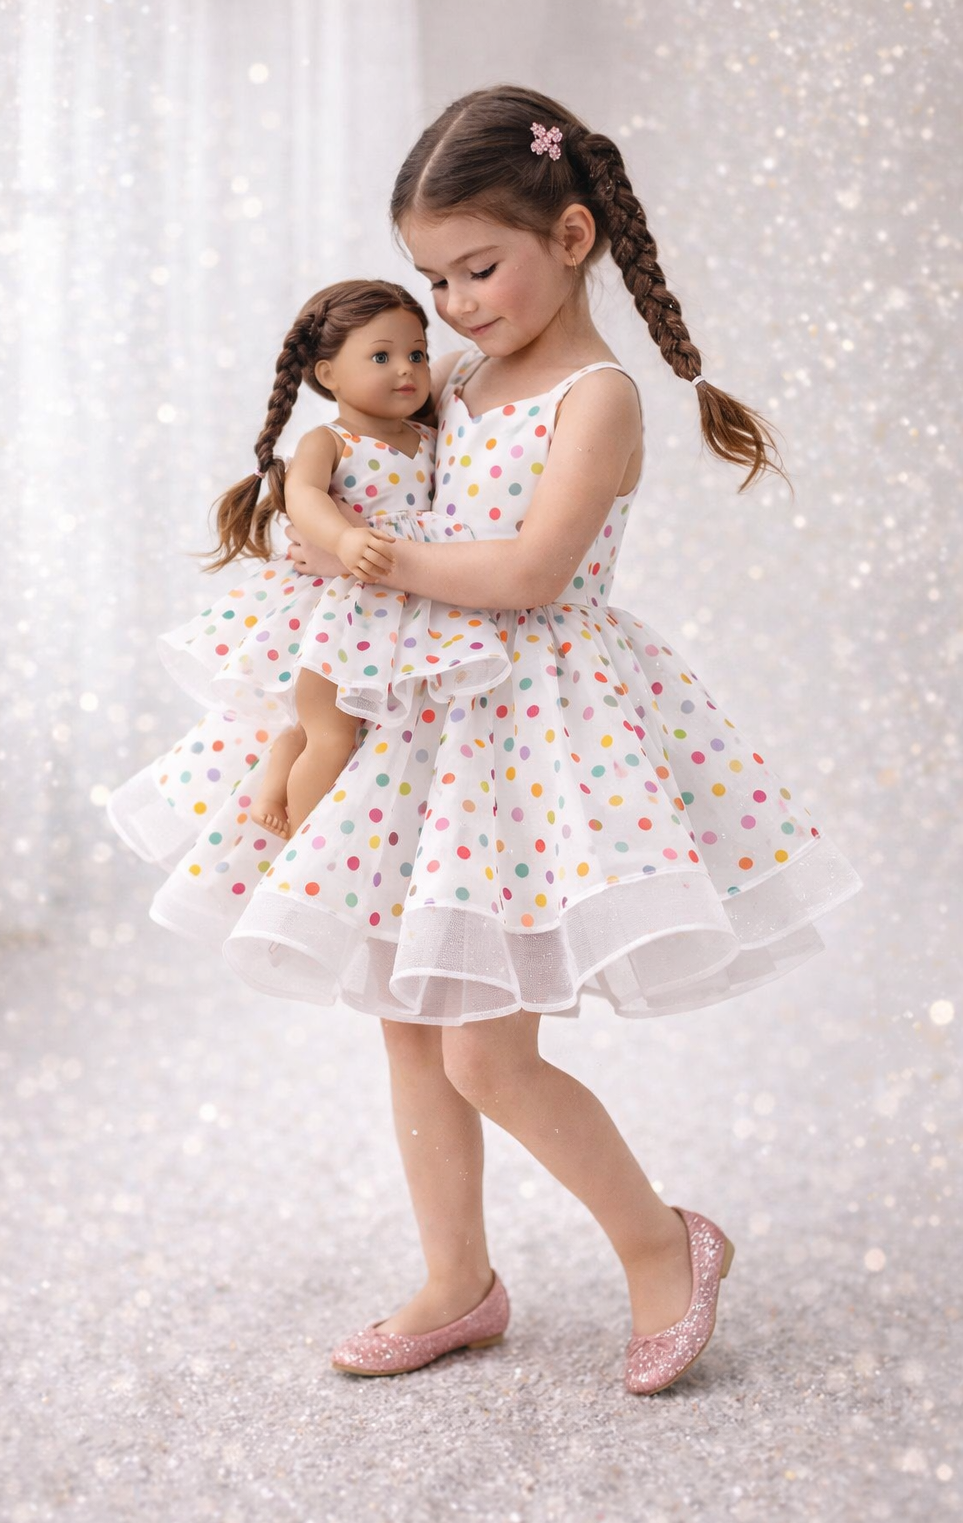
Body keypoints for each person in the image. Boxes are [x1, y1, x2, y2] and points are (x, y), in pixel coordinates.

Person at [256, 87, 864, 1393]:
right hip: (429, 724)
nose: (456, 306)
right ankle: (457, 1280)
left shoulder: (599, 398)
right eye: (435, 280)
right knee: (407, 1020)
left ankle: (662, 1243)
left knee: (487, 1048)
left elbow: (532, 573)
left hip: (539, 735)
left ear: (574, 234)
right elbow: (347, 484)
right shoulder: (453, 383)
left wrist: (386, 561)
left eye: (479, 268)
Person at [109, 277, 511, 855]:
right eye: (382, 356)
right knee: (333, 732)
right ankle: (303, 851)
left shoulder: (426, 436)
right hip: (337, 611)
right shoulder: (331, 440)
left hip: (398, 607)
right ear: (328, 375)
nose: (407, 369)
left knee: (366, 725)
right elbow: (305, 498)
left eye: (417, 354)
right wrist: (344, 543)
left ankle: (283, 760)